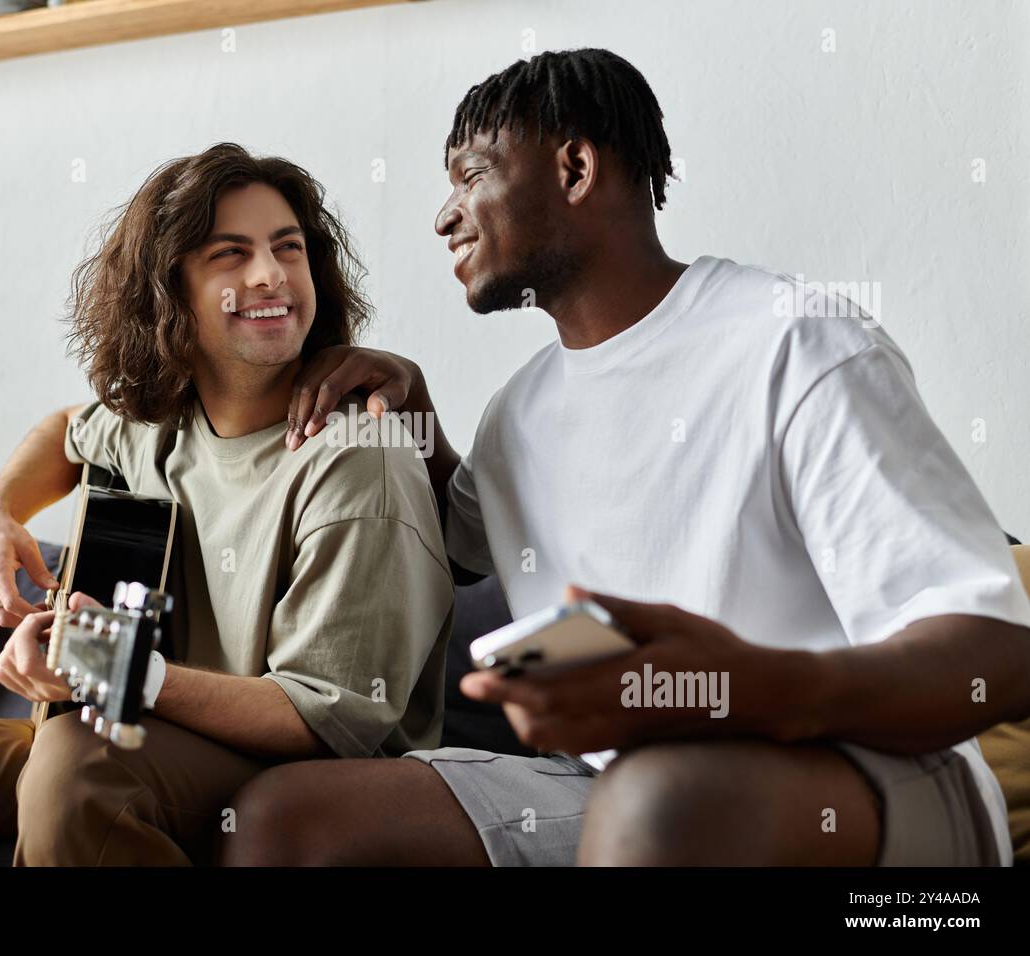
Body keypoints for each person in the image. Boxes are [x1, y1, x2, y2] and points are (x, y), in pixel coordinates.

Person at [216, 49, 1030, 866]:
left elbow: (995, 660)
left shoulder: (799, 345)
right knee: (282, 820)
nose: (444, 216)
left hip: (869, 775)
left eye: (470, 177)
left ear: (574, 167)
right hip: (611, 789)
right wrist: (412, 411)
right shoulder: (522, 410)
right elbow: (462, 551)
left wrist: (743, 686)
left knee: (660, 802)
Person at [0, 143, 453, 867]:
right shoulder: (162, 422)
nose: (272, 275)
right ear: (169, 292)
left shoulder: (358, 460)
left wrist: (119, 668)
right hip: (136, 739)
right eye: (232, 253)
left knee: (77, 764)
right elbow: (65, 434)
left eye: (289, 249)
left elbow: (328, 717)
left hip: (305, 779)